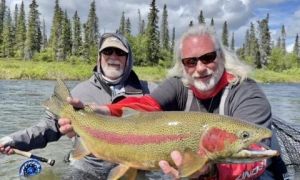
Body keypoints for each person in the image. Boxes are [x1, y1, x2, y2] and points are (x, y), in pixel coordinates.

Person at [61, 25, 285, 179]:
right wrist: (103, 111)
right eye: (190, 61)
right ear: (183, 65)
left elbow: (258, 157)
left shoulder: (248, 94)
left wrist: (210, 172)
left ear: (222, 57)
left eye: (208, 58)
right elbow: (145, 106)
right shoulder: (180, 85)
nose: (200, 68)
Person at [0, 33, 160, 179]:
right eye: (107, 51)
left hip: (136, 170)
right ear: (99, 57)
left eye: (120, 53)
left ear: (128, 59)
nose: (113, 57)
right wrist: (12, 140)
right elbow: (47, 126)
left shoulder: (152, 92)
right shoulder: (79, 93)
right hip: (88, 169)